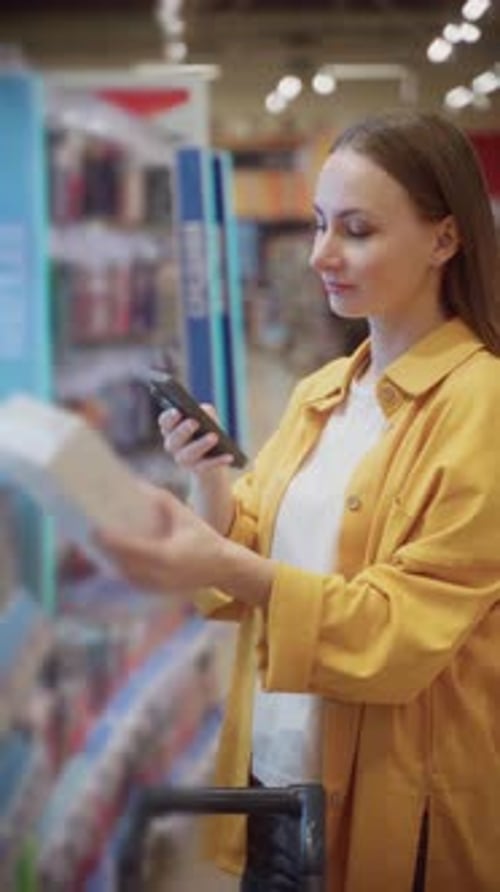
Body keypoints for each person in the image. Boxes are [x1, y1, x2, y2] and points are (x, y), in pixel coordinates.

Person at [97, 112, 500, 892]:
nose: (322, 255)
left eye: (356, 230)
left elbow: (395, 629)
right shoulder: (326, 390)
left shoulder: (482, 405)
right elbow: (248, 543)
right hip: (277, 789)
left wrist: (220, 561)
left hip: (402, 816)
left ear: (444, 240)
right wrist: (209, 477)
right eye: (320, 225)